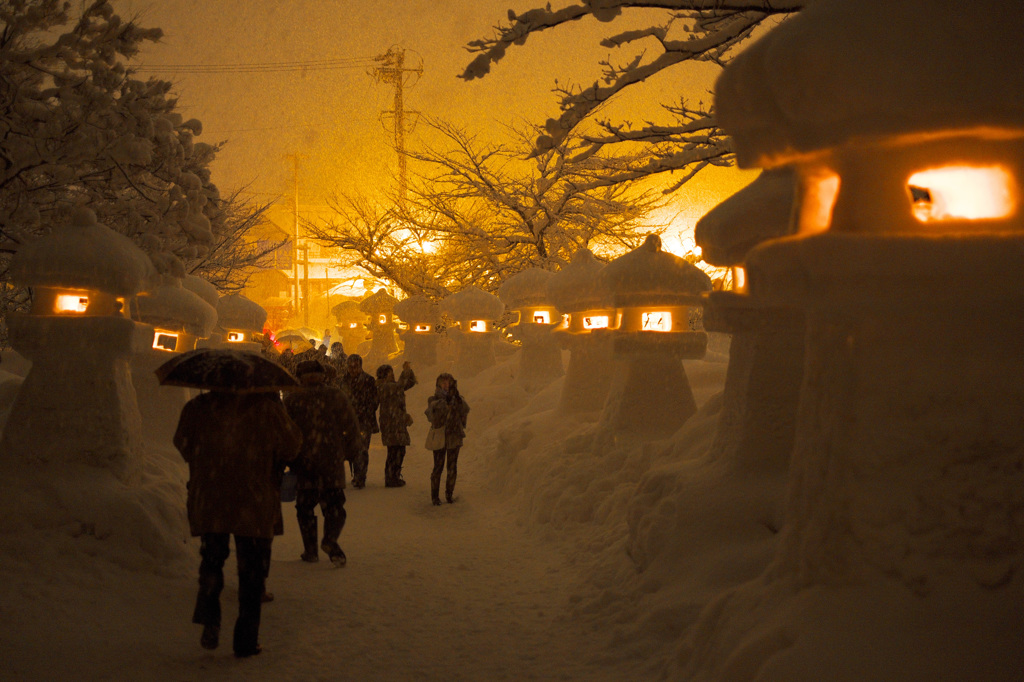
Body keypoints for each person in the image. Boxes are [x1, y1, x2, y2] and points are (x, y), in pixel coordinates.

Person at [174, 390, 301, 658]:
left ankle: (210, 617)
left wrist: (208, 460)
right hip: (253, 495)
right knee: (252, 569)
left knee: (212, 558)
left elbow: (182, 443)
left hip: (210, 492)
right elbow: (292, 445)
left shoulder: (199, 405)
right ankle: (245, 640)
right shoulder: (267, 409)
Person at [283, 360, 361, 566]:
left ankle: (310, 550)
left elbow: (285, 431)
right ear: (323, 376)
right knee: (334, 505)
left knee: (305, 507)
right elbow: (351, 426)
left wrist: (287, 457)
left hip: (303, 462)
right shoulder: (335, 396)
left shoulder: (292, 399)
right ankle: (330, 540)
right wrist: (349, 451)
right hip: (331, 461)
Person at [424, 372, 470, 505]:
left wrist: (456, 399)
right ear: (438, 385)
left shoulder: (457, 398)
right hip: (440, 437)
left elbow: (465, 411)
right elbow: (431, 415)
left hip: (454, 437)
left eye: (448, 382)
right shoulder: (433, 399)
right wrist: (446, 404)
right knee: (438, 467)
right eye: (443, 382)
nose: (446, 385)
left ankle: (449, 495)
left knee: (452, 467)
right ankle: (435, 497)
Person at [338, 353, 379, 488]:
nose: (352, 369)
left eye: (355, 366)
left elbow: (374, 400)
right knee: (351, 449)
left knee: (362, 449)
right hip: (347, 422)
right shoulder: (343, 380)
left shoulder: (368, 380)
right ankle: (356, 474)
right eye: (350, 366)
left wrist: (364, 410)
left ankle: (360, 476)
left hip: (364, 421)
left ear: (360, 366)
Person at [376, 361, 417, 487]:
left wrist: (409, 372)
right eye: (390, 373)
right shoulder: (384, 387)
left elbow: (408, 383)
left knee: (398, 450)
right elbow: (401, 385)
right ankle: (391, 478)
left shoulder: (391, 386)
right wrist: (405, 372)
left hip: (395, 423)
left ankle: (393, 476)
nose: (392, 375)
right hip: (391, 423)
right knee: (395, 451)